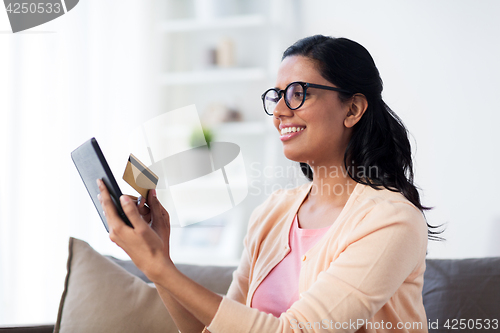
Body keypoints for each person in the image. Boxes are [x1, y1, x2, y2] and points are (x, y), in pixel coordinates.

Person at [98, 35, 438, 332]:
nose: (278, 112)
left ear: (353, 109)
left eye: (297, 93)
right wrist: (161, 265)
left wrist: (156, 266)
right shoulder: (273, 212)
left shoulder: (392, 220)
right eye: (276, 96)